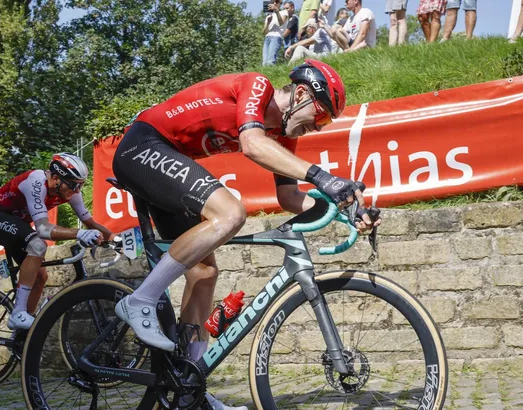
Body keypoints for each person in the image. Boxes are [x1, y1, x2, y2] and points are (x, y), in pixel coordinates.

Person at [111, 60, 380, 409]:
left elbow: (289, 197)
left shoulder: (282, 136)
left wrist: (344, 210)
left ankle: (191, 390)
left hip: (167, 158)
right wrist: (324, 177)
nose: (317, 126)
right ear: (301, 93)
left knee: (204, 273)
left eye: (326, 123)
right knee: (231, 213)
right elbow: (251, 144)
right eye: (322, 115)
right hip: (145, 145)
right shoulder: (257, 86)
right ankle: (140, 300)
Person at [0, 153, 115, 330]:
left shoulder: (70, 192)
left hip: (18, 225)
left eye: (81, 185)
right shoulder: (36, 182)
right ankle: (18, 313)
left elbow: (90, 223)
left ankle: (23, 332)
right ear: (56, 179)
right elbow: (43, 229)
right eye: (74, 185)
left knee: (40, 276)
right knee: (37, 245)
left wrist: (115, 239)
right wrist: (80, 233)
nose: (77, 191)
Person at [262, 0, 287, 66]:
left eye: (276, 1)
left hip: (276, 37)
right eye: (273, 2)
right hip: (267, 38)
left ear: (280, 3)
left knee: (270, 61)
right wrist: (268, 23)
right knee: (264, 62)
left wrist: (277, 11)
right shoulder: (268, 16)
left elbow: (281, 23)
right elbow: (264, 32)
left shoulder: (284, 12)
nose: (274, 3)